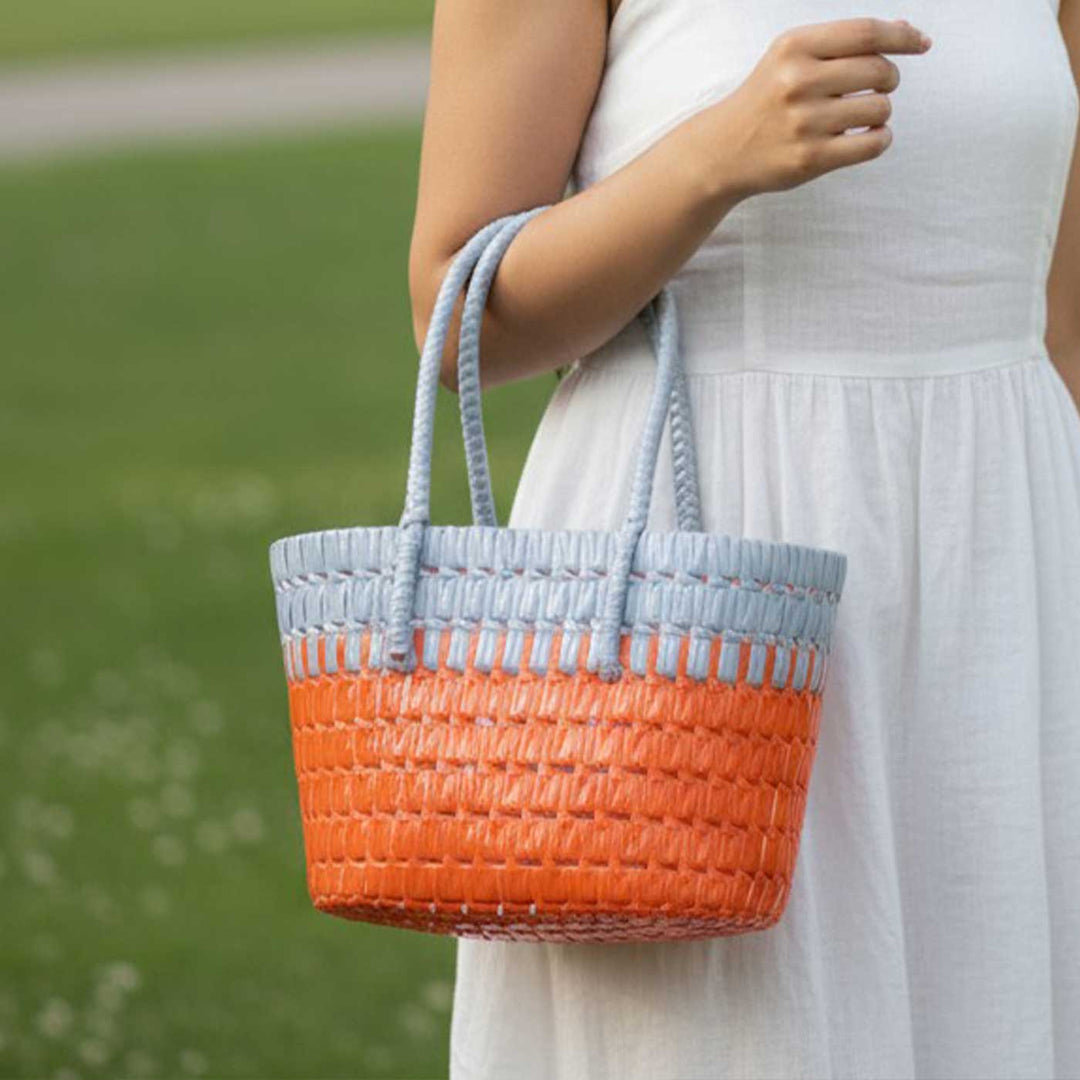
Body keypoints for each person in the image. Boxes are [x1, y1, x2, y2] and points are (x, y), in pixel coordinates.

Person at [407, 2, 1080, 1077]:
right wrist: (712, 158)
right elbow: (455, 319)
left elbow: (1059, 322)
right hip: (703, 587)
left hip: (1005, 566)